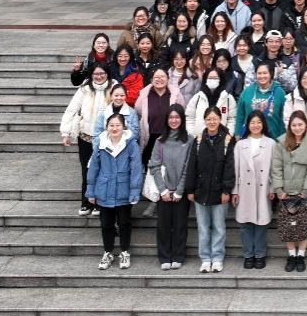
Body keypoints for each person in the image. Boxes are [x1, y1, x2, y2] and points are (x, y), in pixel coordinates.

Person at [86, 112, 142, 270]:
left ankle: (124, 252)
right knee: (106, 224)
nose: (114, 128)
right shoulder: (101, 143)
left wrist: (134, 191)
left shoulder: (131, 144)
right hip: (104, 190)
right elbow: (94, 167)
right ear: (106, 127)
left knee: (124, 223)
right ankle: (108, 252)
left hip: (124, 190)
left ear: (123, 127)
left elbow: (136, 169)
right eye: (111, 125)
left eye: (118, 125)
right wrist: (90, 191)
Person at [184, 106, 235, 273]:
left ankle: (217, 257)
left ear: (220, 120)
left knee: (219, 227)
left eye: (215, 119)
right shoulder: (198, 140)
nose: (212, 122)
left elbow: (230, 167)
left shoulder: (227, 140)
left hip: (219, 192)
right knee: (203, 228)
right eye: (209, 119)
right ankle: (205, 258)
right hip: (201, 191)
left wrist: (227, 190)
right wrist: (190, 189)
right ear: (204, 121)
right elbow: (192, 166)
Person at [60, 64, 112, 215]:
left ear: (107, 74)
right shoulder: (84, 89)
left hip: (106, 138)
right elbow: (71, 109)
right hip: (86, 137)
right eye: (96, 74)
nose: (99, 76)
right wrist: (66, 132)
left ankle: (99, 203)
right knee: (87, 170)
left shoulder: (114, 87)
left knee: (103, 170)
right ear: (91, 75)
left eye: (102, 73)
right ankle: (86, 202)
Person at [270, 111, 307, 272]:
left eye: (300, 124)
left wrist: (305, 191)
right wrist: (279, 189)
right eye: (294, 125)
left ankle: (301, 256)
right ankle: (291, 255)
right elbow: (276, 168)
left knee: (303, 224)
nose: (297, 128)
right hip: (285, 191)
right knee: (288, 225)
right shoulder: (281, 143)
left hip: (304, 191)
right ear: (289, 126)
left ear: (306, 125)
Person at [151, 104, 193, 270]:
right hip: (164, 192)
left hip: (181, 192)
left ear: (182, 119)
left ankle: (178, 255)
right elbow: (154, 166)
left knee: (180, 225)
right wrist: (163, 190)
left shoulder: (189, 141)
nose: (174, 120)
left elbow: (188, 167)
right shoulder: (160, 141)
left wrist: (179, 191)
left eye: (177, 117)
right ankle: (164, 257)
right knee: (163, 225)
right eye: (171, 117)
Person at [233, 111, 276, 269]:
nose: (256, 125)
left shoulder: (271, 143)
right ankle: (248, 254)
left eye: (259, 122)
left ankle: (260, 254)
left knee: (261, 223)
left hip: (263, 188)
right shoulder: (240, 144)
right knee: (245, 224)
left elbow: (274, 169)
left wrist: (273, 188)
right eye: (252, 122)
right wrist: (235, 191)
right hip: (244, 189)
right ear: (247, 125)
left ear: (263, 124)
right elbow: (235, 169)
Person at [135, 68, 185, 165]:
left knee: (169, 166)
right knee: (150, 166)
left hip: (170, 137)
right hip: (149, 138)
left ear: (168, 79)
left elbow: (181, 112)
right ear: (151, 80)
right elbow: (138, 110)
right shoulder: (145, 95)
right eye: (156, 77)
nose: (159, 79)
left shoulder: (175, 95)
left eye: (162, 77)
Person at [236, 61, 286, 138]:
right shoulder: (247, 92)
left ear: (271, 74)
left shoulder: (279, 92)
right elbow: (240, 115)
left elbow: (283, 117)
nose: (262, 76)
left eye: (265, 73)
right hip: (249, 138)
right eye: (259, 73)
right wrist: (238, 134)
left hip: (274, 138)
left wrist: (283, 137)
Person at [186, 67, 238, 136]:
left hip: (222, 138)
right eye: (210, 78)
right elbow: (189, 117)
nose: (212, 80)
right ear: (205, 80)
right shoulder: (198, 97)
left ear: (221, 80)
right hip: (200, 138)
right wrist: (192, 133)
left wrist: (229, 134)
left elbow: (232, 119)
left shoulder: (228, 98)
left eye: (215, 78)